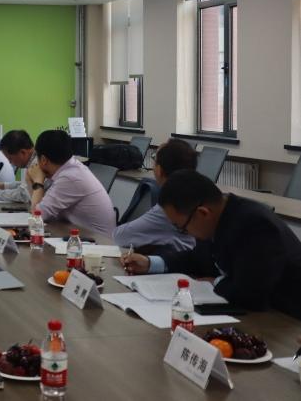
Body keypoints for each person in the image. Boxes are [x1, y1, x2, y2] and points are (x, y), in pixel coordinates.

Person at [121, 171, 301, 320]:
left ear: (202, 213)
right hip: (254, 316)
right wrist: (150, 263)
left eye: (181, 228)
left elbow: (251, 295)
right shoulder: (217, 217)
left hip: (285, 321)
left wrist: (215, 281)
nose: (185, 233)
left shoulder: (255, 226)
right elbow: (196, 259)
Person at [113, 139, 197, 254]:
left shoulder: (170, 206)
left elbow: (119, 236)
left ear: (159, 170)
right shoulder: (196, 196)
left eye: (154, 159)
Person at [28, 129, 116, 235]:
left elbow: (37, 216)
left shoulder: (70, 177)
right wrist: (31, 181)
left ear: (43, 160)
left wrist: (37, 181)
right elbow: (38, 205)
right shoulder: (69, 169)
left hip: (99, 241)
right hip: (82, 235)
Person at [0, 129, 38, 204]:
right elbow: (26, 185)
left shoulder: (36, 164)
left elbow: (23, 194)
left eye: (10, 158)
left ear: (23, 152)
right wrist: (2, 185)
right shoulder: (34, 160)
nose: (10, 162)